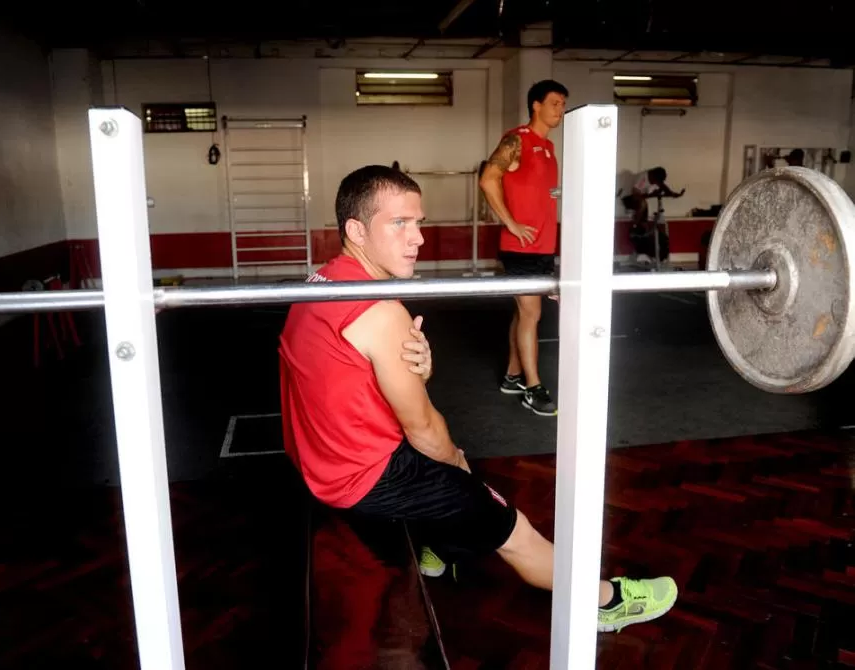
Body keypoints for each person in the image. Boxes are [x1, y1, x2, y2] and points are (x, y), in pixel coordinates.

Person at [279, 164, 679, 636]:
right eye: (399, 223)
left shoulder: (318, 283)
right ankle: (605, 602)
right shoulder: (381, 311)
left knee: (451, 472)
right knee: (506, 521)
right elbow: (423, 429)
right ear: (356, 230)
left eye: (418, 222)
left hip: (323, 460)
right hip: (362, 477)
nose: (418, 239)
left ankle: (438, 550)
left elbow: (342, 374)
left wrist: (418, 368)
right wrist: (459, 468)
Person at [479, 80, 568, 417]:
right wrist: (511, 224)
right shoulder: (516, 140)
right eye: (555, 103)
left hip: (544, 246)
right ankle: (533, 387)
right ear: (536, 105)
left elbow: (542, 195)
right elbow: (488, 179)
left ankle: (513, 376)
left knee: (523, 312)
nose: (560, 110)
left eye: (562, 104)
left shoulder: (549, 149)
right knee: (532, 313)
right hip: (520, 247)